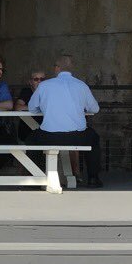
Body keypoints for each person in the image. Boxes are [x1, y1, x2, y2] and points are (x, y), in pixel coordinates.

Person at [27, 53, 103, 187]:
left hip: (49, 136)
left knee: (31, 140)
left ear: (57, 68)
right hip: (77, 137)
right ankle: (93, 178)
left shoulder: (44, 85)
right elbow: (95, 109)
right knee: (94, 138)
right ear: (71, 68)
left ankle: (36, 178)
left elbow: (32, 108)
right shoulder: (81, 85)